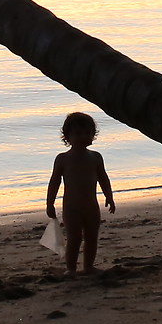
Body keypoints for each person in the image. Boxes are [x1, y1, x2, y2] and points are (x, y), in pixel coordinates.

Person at [46, 111, 114, 276]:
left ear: (93, 136)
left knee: (91, 238)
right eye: (77, 133)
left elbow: (103, 178)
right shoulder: (62, 159)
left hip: (91, 206)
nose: (83, 137)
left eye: (87, 133)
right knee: (74, 238)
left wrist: (109, 197)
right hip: (71, 207)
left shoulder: (96, 157)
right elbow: (54, 181)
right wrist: (50, 203)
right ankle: (71, 268)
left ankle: (88, 266)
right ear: (67, 137)